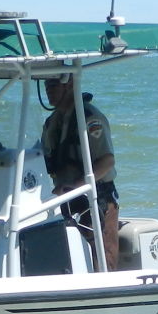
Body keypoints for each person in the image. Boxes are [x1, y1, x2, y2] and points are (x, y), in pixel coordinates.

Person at [41, 75, 119, 271]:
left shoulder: (89, 118)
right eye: (46, 85)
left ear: (70, 84)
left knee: (102, 256)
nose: (48, 90)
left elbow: (107, 161)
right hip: (65, 198)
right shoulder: (53, 122)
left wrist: (75, 186)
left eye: (53, 84)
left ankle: (108, 297)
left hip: (96, 196)